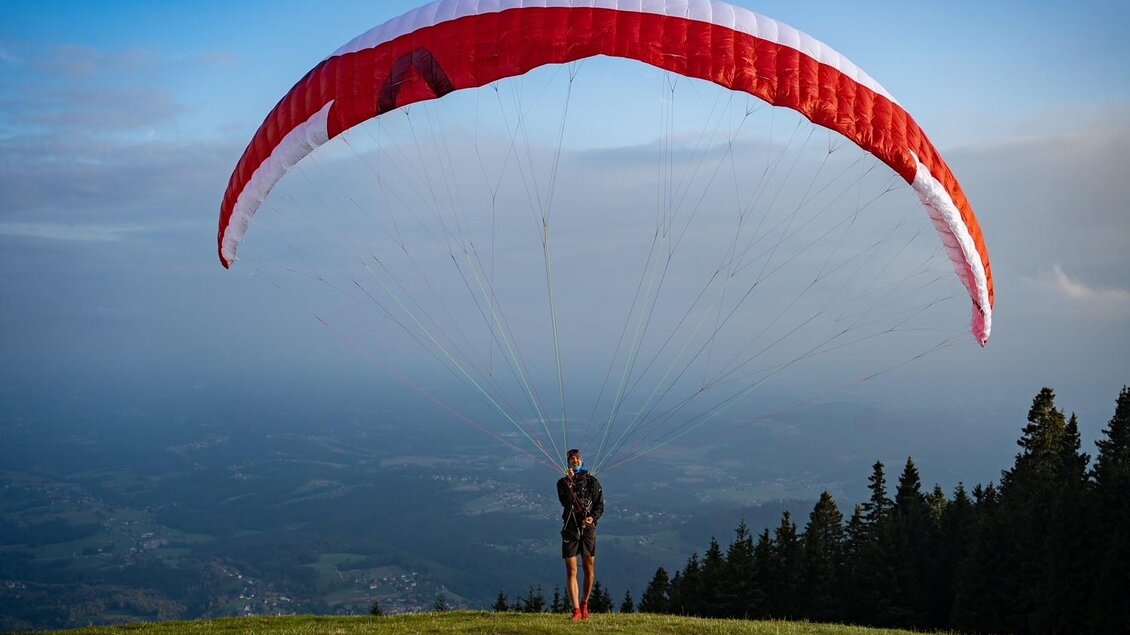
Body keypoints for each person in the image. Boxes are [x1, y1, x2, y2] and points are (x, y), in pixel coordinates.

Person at [557, 448, 603, 621]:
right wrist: (570, 481)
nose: (575, 461)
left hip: (588, 529)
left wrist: (592, 517)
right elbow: (565, 502)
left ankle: (585, 603)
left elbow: (599, 506)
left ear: (582, 460)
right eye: (572, 459)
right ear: (568, 462)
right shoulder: (562, 482)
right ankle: (576, 610)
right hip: (570, 528)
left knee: (589, 567)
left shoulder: (593, 482)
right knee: (571, 569)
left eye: (577, 458)